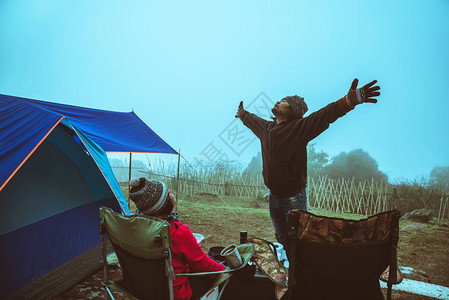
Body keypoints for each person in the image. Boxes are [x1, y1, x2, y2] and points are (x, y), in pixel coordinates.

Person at [235, 78, 381, 246]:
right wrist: (242, 114)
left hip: (294, 199)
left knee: (298, 243)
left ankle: (301, 271)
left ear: (292, 109)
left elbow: (325, 114)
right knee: (282, 239)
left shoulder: (299, 129)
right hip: (273, 199)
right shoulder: (267, 129)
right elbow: (252, 120)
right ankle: (291, 270)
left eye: (283, 101)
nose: (277, 101)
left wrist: (349, 101)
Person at [129, 177, 226, 300]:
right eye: (167, 193)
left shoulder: (136, 227)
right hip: (174, 293)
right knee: (214, 276)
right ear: (162, 205)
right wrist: (225, 270)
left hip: (145, 289)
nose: (170, 191)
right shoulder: (177, 231)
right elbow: (203, 266)